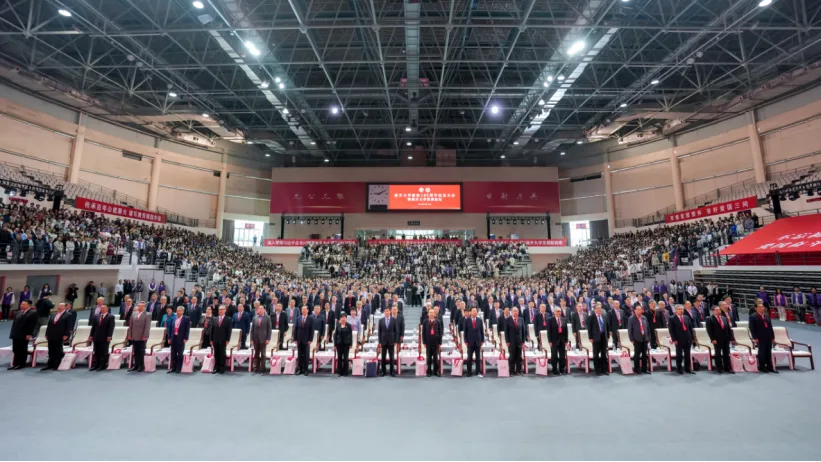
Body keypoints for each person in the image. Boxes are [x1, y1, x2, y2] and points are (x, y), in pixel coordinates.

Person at [8, 301, 37, 370]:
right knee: (15, 349)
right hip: (16, 333)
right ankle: (16, 363)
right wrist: (12, 333)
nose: (22, 305)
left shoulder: (33, 313)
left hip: (24, 334)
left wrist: (29, 334)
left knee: (22, 349)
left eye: (24, 304)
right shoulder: (19, 312)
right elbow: (14, 324)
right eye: (21, 304)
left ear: (29, 305)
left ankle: (21, 364)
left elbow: (32, 325)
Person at [749, 303, 777, 374]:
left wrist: (772, 337)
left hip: (768, 336)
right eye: (760, 307)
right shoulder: (753, 316)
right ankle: (762, 367)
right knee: (762, 352)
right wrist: (755, 337)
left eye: (763, 307)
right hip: (760, 337)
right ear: (756, 308)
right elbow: (752, 328)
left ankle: (770, 367)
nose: (762, 308)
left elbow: (770, 327)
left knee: (768, 352)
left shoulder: (766, 316)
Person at [42, 303, 70, 371]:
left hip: (60, 335)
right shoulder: (53, 314)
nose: (59, 307)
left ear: (65, 307)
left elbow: (69, 326)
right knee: (51, 350)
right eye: (59, 306)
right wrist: (47, 334)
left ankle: (56, 364)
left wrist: (66, 334)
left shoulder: (68, 315)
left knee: (58, 350)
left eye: (61, 306)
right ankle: (49, 364)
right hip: (51, 334)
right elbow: (49, 325)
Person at [706, 306, 734, 374]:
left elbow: (728, 329)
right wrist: (713, 339)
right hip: (717, 339)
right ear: (713, 311)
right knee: (718, 354)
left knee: (726, 353)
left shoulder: (724, 318)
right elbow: (709, 330)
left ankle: (727, 367)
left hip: (726, 339)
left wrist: (731, 338)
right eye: (716, 310)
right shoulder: (710, 319)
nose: (718, 311)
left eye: (719, 310)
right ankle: (719, 368)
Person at [669, 305, 695, 375]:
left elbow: (690, 328)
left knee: (687, 354)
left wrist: (692, 338)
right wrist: (674, 339)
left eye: (682, 309)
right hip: (678, 339)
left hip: (688, 338)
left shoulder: (686, 317)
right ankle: (679, 368)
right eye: (679, 309)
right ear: (676, 310)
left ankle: (687, 368)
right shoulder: (672, 318)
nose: (681, 310)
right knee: (679, 354)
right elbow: (671, 330)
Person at [89, 305, 115, 372]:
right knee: (96, 351)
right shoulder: (96, 316)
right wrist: (91, 335)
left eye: (104, 308)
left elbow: (111, 327)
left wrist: (109, 336)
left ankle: (102, 365)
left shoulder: (111, 317)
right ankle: (96, 365)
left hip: (105, 337)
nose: (102, 309)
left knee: (103, 351)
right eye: (101, 308)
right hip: (96, 336)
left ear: (107, 309)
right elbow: (93, 327)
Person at [127, 302, 151, 373]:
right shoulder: (134, 314)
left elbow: (147, 326)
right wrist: (130, 334)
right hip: (134, 335)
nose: (140, 307)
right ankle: (136, 365)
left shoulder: (147, 314)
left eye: (142, 306)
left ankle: (141, 365)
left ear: (144, 307)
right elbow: (131, 325)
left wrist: (145, 336)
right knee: (135, 351)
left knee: (141, 351)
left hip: (142, 336)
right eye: (139, 306)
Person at [627, 305, 651, 375]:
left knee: (644, 354)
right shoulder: (631, 318)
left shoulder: (644, 318)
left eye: (640, 309)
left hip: (645, 338)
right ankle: (637, 369)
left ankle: (644, 368)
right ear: (635, 310)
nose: (639, 311)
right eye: (638, 309)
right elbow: (630, 330)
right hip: (636, 339)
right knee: (637, 355)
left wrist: (648, 337)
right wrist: (631, 339)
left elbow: (648, 328)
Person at [210, 305, 233, 374]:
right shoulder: (215, 319)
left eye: (222, 309)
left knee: (222, 354)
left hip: (223, 339)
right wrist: (211, 340)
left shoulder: (228, 319)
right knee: (216, 354)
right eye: (220, 309)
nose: (221, 311)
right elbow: (212, 330)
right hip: (215, 339)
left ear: (225, 310)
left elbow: (229, 331)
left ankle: (222, 368)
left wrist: (228, 340)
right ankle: (216, 368)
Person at [167, 307, 190, 374]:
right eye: (177, 311)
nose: (178, 312)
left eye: (180, 311)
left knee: (180, 354)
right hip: (173, 338)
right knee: (173, 353)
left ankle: (178, 368)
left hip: (181, 338)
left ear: (183, 311)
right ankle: (173, 368)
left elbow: (187, 329)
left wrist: (186, 338)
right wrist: (169, 338)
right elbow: (170, 329)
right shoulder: (173, 318)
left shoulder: (186, 319)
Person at [588, 304, 610, 376]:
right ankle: (597, 370)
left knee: (604, 353)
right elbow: (589, 328)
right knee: (596, 354)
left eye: (600, 308)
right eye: (598, 308)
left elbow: (607, 327)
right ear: (595, 309)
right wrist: (590, 337)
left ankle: (604, 370)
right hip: (595, 337)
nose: (599, 310)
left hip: (604, 337)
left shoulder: (604, 316)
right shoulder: (591, 317)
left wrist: (608, 336)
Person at [250, 305, 272, 374]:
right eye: (259, 309)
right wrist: (251, 339)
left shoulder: (267, 318)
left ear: (264, 310)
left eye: (261, 309)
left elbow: (269, 329)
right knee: (256, 354)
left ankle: (263, 368)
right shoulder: (254, 318)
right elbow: (252, 330)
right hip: (255, 339)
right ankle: (255, 368)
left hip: (264, 339)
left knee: (263, 354)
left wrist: (268, 339)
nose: (260, 310)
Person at [464, 307, 484, 378]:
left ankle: (478, 371)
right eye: (473, 311)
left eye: (476, 311)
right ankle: (469, 372)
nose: (475, 312)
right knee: (469, 358)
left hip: (478, 341)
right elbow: (465, 332)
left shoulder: (479, 320)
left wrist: (482, 340)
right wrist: (465, 341)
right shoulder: (467, 320)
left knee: (478, 358)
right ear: (470, 312)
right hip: (470, 342)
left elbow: (481, 331)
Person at [505, 308, 526, 376]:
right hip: (511, 342)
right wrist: (507, 341)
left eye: (517, 311)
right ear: (511, 312)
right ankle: (511, 371)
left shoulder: (521, 319)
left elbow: (523, 331)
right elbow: (506, 332)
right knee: (512, 356)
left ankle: (519, 370)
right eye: (514, 311)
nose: (516, 312)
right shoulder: (508, 320)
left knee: (519, 356)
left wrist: (523, 341)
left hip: (519, 341)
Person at [547, 307, 568, 375]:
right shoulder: (550, 320)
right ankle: (554, 369)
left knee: (562, 356)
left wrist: (566, 340)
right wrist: (550, 341)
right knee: (554, 356)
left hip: (562, 340)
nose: (559, 312)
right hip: (554, 341)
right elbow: (549, 331)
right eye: (557, 311)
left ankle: (562, 369)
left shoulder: (564, 319)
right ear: (554, 312)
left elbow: (566, 331)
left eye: (560, 311)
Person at [293, 306, 313, 376]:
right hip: (299, 339)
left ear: (307, 310)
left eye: (304, 309)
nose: (303, 311)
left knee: (306, 355)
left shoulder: (311, 319)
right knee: (300, 355)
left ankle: (306, 369)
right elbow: (295, 329)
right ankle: (300, 369)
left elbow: (311, 330)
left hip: (307, 340)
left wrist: (310, 339)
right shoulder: (298, 318)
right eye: (302, 309)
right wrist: (295, 339)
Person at [378, 307, 398, 377]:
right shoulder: (381, 320)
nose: (386, 312)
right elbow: (379, 332)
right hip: (383, 341)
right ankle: (383, 371)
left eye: (388, 311)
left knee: (391, 357)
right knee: (383, 357)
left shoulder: (393, 320)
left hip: (391, 341)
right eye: (385, 311)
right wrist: (379, 341)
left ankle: (392, 371)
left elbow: (396, 331)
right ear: (384, 312)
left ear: (390, 312)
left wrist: (395, 341)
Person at [423, 309, 442, 377]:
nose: (431, 314)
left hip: (436, 342)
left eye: (432, 313)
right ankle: (429, 370)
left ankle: (436, 371)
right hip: (428, 342)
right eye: (430, 313)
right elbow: (423, 333)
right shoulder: (425, 322)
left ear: (434, 314)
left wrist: (440, 343)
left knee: (435, 357)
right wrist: (424, 342)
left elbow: (440, 333)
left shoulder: (438, 322)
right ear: (428, 314)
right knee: (428, 357)